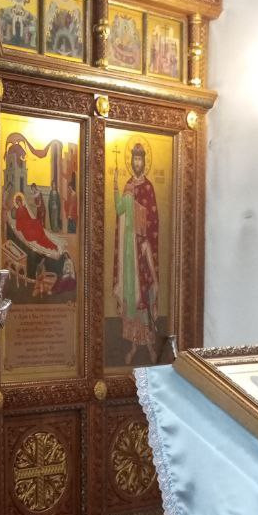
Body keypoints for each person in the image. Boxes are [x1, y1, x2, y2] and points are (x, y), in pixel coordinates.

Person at [112, 142, 158, 364]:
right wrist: (115, 185)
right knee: (131, 297)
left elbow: (154, 220)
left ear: (144, 162)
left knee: (143, 298)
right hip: (129, 250)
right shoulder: (128, 185)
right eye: (134, 159)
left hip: (142, 248)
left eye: (140, 159)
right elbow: (119, 210)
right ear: (131, 161)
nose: (137, 162)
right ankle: (132, 345)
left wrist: (145, 238)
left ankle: (149, 345)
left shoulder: (148, 187)